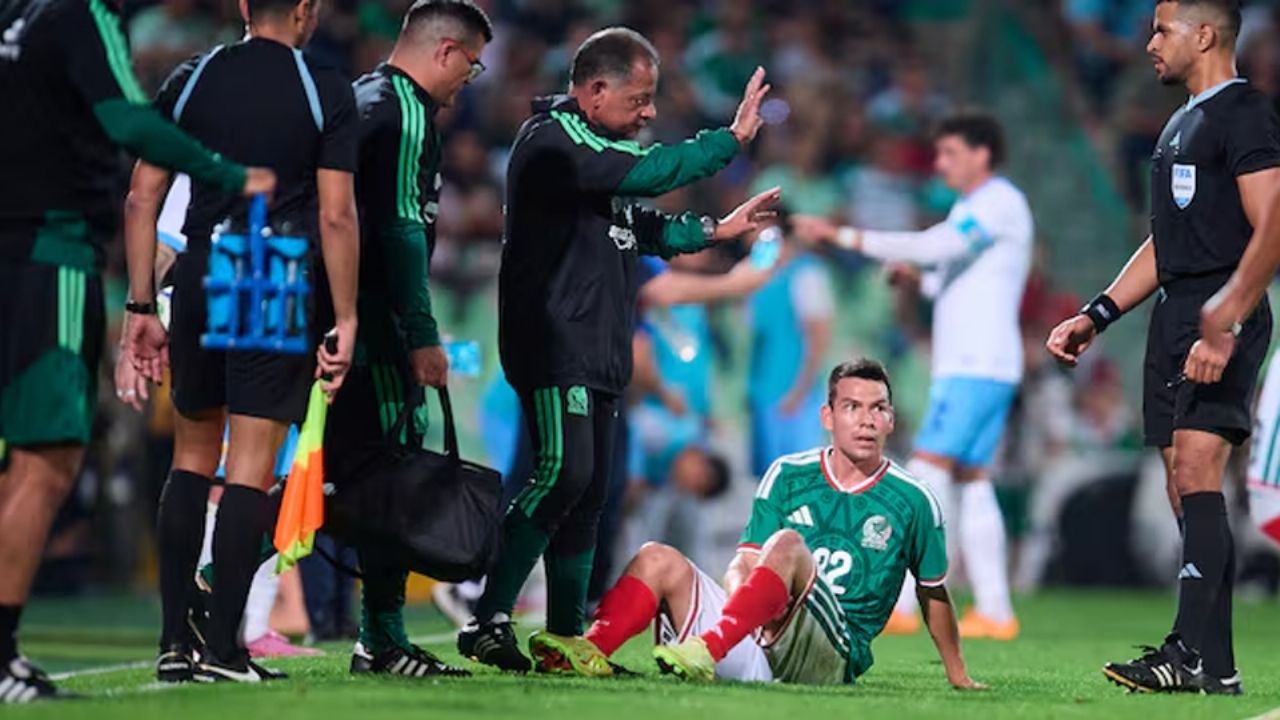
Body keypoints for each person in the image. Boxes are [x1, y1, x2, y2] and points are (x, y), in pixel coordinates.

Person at [458, 26, 779, 674]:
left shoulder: (598, 151)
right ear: (596, 90)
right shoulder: (554, 143)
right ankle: (488, 616)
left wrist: (718, 229)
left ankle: (570, 638)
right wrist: (729, 141)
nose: (651, 112)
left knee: (590, 493)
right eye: (640, 98)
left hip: (600, 346)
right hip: (554, 342)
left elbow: (642, 225)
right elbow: (653, 172)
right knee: (561, 476)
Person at [0, 0, 274, 701]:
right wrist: (226, 172)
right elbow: (127, 119)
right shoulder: (82, 13)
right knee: (47, 456)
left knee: (21, 459)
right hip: (48, 251)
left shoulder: (19, 15)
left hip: (14, 246)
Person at [1046, 0, 1280, 695]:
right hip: (1176, 315)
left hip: (1219, 311)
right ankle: (1218, 667)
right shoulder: (1181, 123)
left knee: (1201, 470)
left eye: (1161, 29)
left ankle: (1182, 653)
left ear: (1204, 35)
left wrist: (1226, 318)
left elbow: (1272, 225)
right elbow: (1167, 240)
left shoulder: (1245, 115)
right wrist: (1100, 311)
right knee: (1186, 491)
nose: (1148, 44)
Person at [122, 0, 360, 683]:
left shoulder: (192, 78)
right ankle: (226, 649)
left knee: (191, 460)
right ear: (306, 10)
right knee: (250, 467)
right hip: (272, 274)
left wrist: (141, 303)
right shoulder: (323, 86)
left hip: (200, 271)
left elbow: (143, 197)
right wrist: (344, 315)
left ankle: (175, 643)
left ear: (244, 7)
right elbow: (337, 216)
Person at [582, 360, 983, 689]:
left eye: (878, 408)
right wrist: (744, 607)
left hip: (831, 656)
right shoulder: (787, 475)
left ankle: (709, 647)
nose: (866, 420)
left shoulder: (914, 499)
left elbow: (932, 592)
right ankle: (587, 651)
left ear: (890, 421)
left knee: (789, 543)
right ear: (828, 416)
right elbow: (744, 562)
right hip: (754, 640)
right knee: (656, 557)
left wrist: (957, 672)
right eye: (852, 407)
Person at [793, 111, 1033, 640]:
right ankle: (995, 609)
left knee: (925, 473)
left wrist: (843, 235)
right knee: (971, 479)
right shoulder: (975, 210)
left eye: (949, 153)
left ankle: (899, 601)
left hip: (976, 365)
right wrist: (917, 279)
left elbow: (932, 247)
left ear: (981, 154)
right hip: (978, 365)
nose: (940, 164)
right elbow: (956, 281)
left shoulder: (998, 203)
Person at [324, 0, 493, 679]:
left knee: (316, 472)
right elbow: (398, 232)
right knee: (382, 478)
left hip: (326, 323)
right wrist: (420, 335)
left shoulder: (358, 97)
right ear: (445, 51)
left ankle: (209, 603)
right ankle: (383, 639)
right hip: (375, 331)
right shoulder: (406, 110)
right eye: (472, 65)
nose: (470, 80)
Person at [746, 223, 835, 481]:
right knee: (768, 480)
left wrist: (799, 391)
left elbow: (818, 337)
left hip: (795, 398)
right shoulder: (759, 277)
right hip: (764, 392)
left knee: (800, 479)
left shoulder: (807, 274)